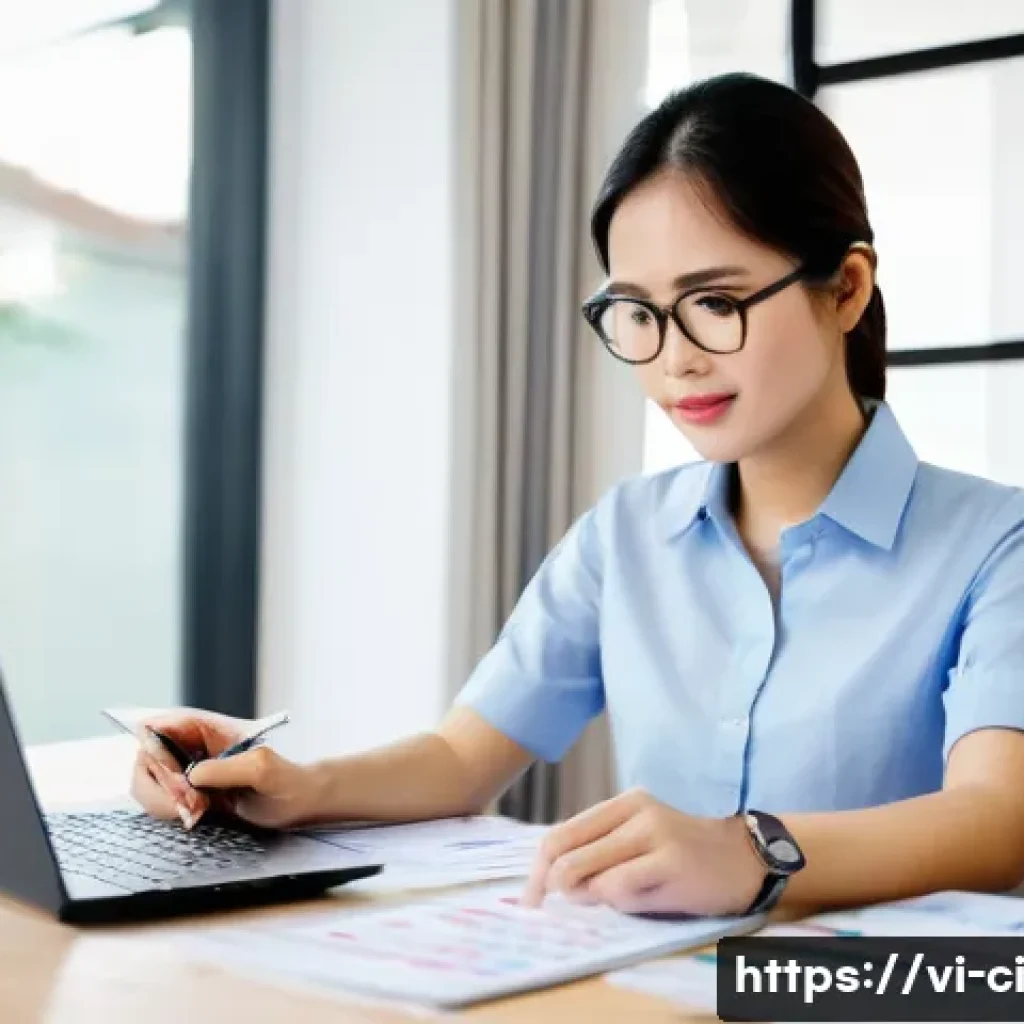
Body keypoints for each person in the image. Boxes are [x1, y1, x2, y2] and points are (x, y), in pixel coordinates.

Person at [132, 72, 1024, 918]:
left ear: (848, 289)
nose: (675, 357)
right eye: (637, 312)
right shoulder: (627, 535)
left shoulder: (996, 545)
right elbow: (461, 759)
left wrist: (755, 851)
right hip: (650, 990)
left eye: (715, 302)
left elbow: (999, 823)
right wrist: (294, 787)